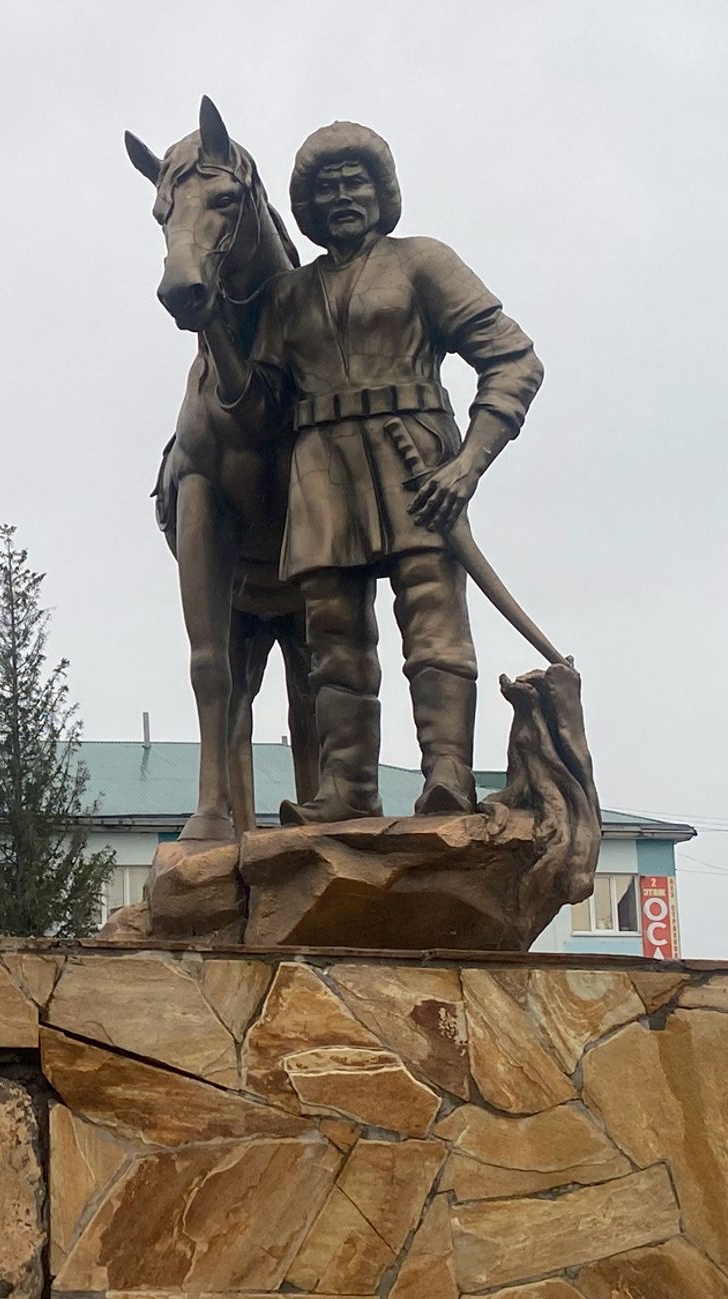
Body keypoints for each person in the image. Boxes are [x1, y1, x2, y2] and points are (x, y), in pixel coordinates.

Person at [203, 122, 543, 822]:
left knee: (433, 620)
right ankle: (347, 789)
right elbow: (262, 408)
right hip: (321, 471)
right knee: (331, 635)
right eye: (325, 188)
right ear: (306, 206)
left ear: (381, 191)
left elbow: (512, 361)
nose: (342, 197)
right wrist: (213, 325)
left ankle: (448, 775)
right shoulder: (288, 296)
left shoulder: (423, 261)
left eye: (354, 181)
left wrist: (468, 467)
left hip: (413, 456)